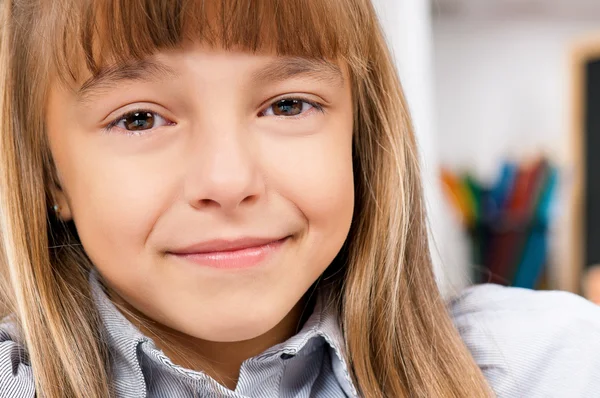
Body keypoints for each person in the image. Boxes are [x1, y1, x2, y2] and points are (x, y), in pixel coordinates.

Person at [0, 1, 599, 397]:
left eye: (287, 105)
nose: (229, 181)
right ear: (52, 177)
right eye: (138, 119)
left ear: (360, 138)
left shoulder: (548, 367)